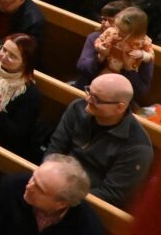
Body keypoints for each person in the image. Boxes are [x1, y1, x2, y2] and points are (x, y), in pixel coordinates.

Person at [45, 73, 153, 207]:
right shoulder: (77, 108)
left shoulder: (138, 148)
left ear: (119, 107)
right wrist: (49, 180)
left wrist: (66, 197)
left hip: (86, 204)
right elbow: (55, 148)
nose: (88, 99)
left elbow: (111, 194)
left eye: (96, 99)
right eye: (89, 91)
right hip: (55, 182)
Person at [0, 155, 103, 235]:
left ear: (61, 203)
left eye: (39, 188)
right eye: (33, 177)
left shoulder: (87, 227)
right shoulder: (11, 185)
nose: (28, 186)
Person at [76, 6, 154, 104]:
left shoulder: (142, 45)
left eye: (123, 33)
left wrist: (128, 68)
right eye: (117, 28)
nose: (118, 34)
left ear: (135, 34)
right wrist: (101, 56)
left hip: (117, 99)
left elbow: (140, 91)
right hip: (87, 89)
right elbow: (82, 67)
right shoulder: (104, 36)